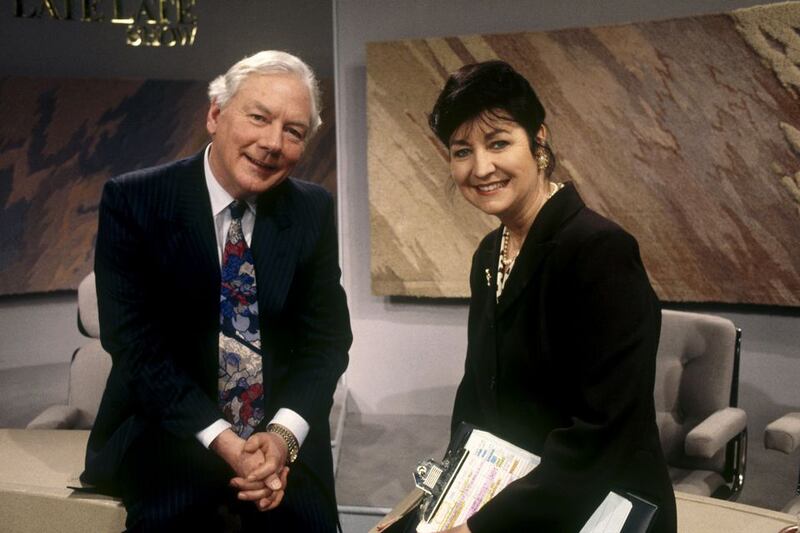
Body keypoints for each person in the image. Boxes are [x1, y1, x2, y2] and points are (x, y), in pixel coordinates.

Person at [81, 50, 352, 532]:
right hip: (169, 433)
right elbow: (136, 349)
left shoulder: (312, 209)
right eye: (259, 117)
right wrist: (226, 442)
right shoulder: (134, 199)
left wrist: (283, 437)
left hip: (276, 449)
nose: (272, 143)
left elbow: (326, 343)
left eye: (293, 131)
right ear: (215, 114)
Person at [427, 60, 677, 532]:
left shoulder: (600, 249)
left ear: (538, 140)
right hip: (513, 497)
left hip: (596, 505)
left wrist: (485, 527)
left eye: (498, 143)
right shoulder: (488, 254)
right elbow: (477, 394)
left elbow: (602, 431)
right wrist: (445, 503)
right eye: (462, 151)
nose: (481, 168)